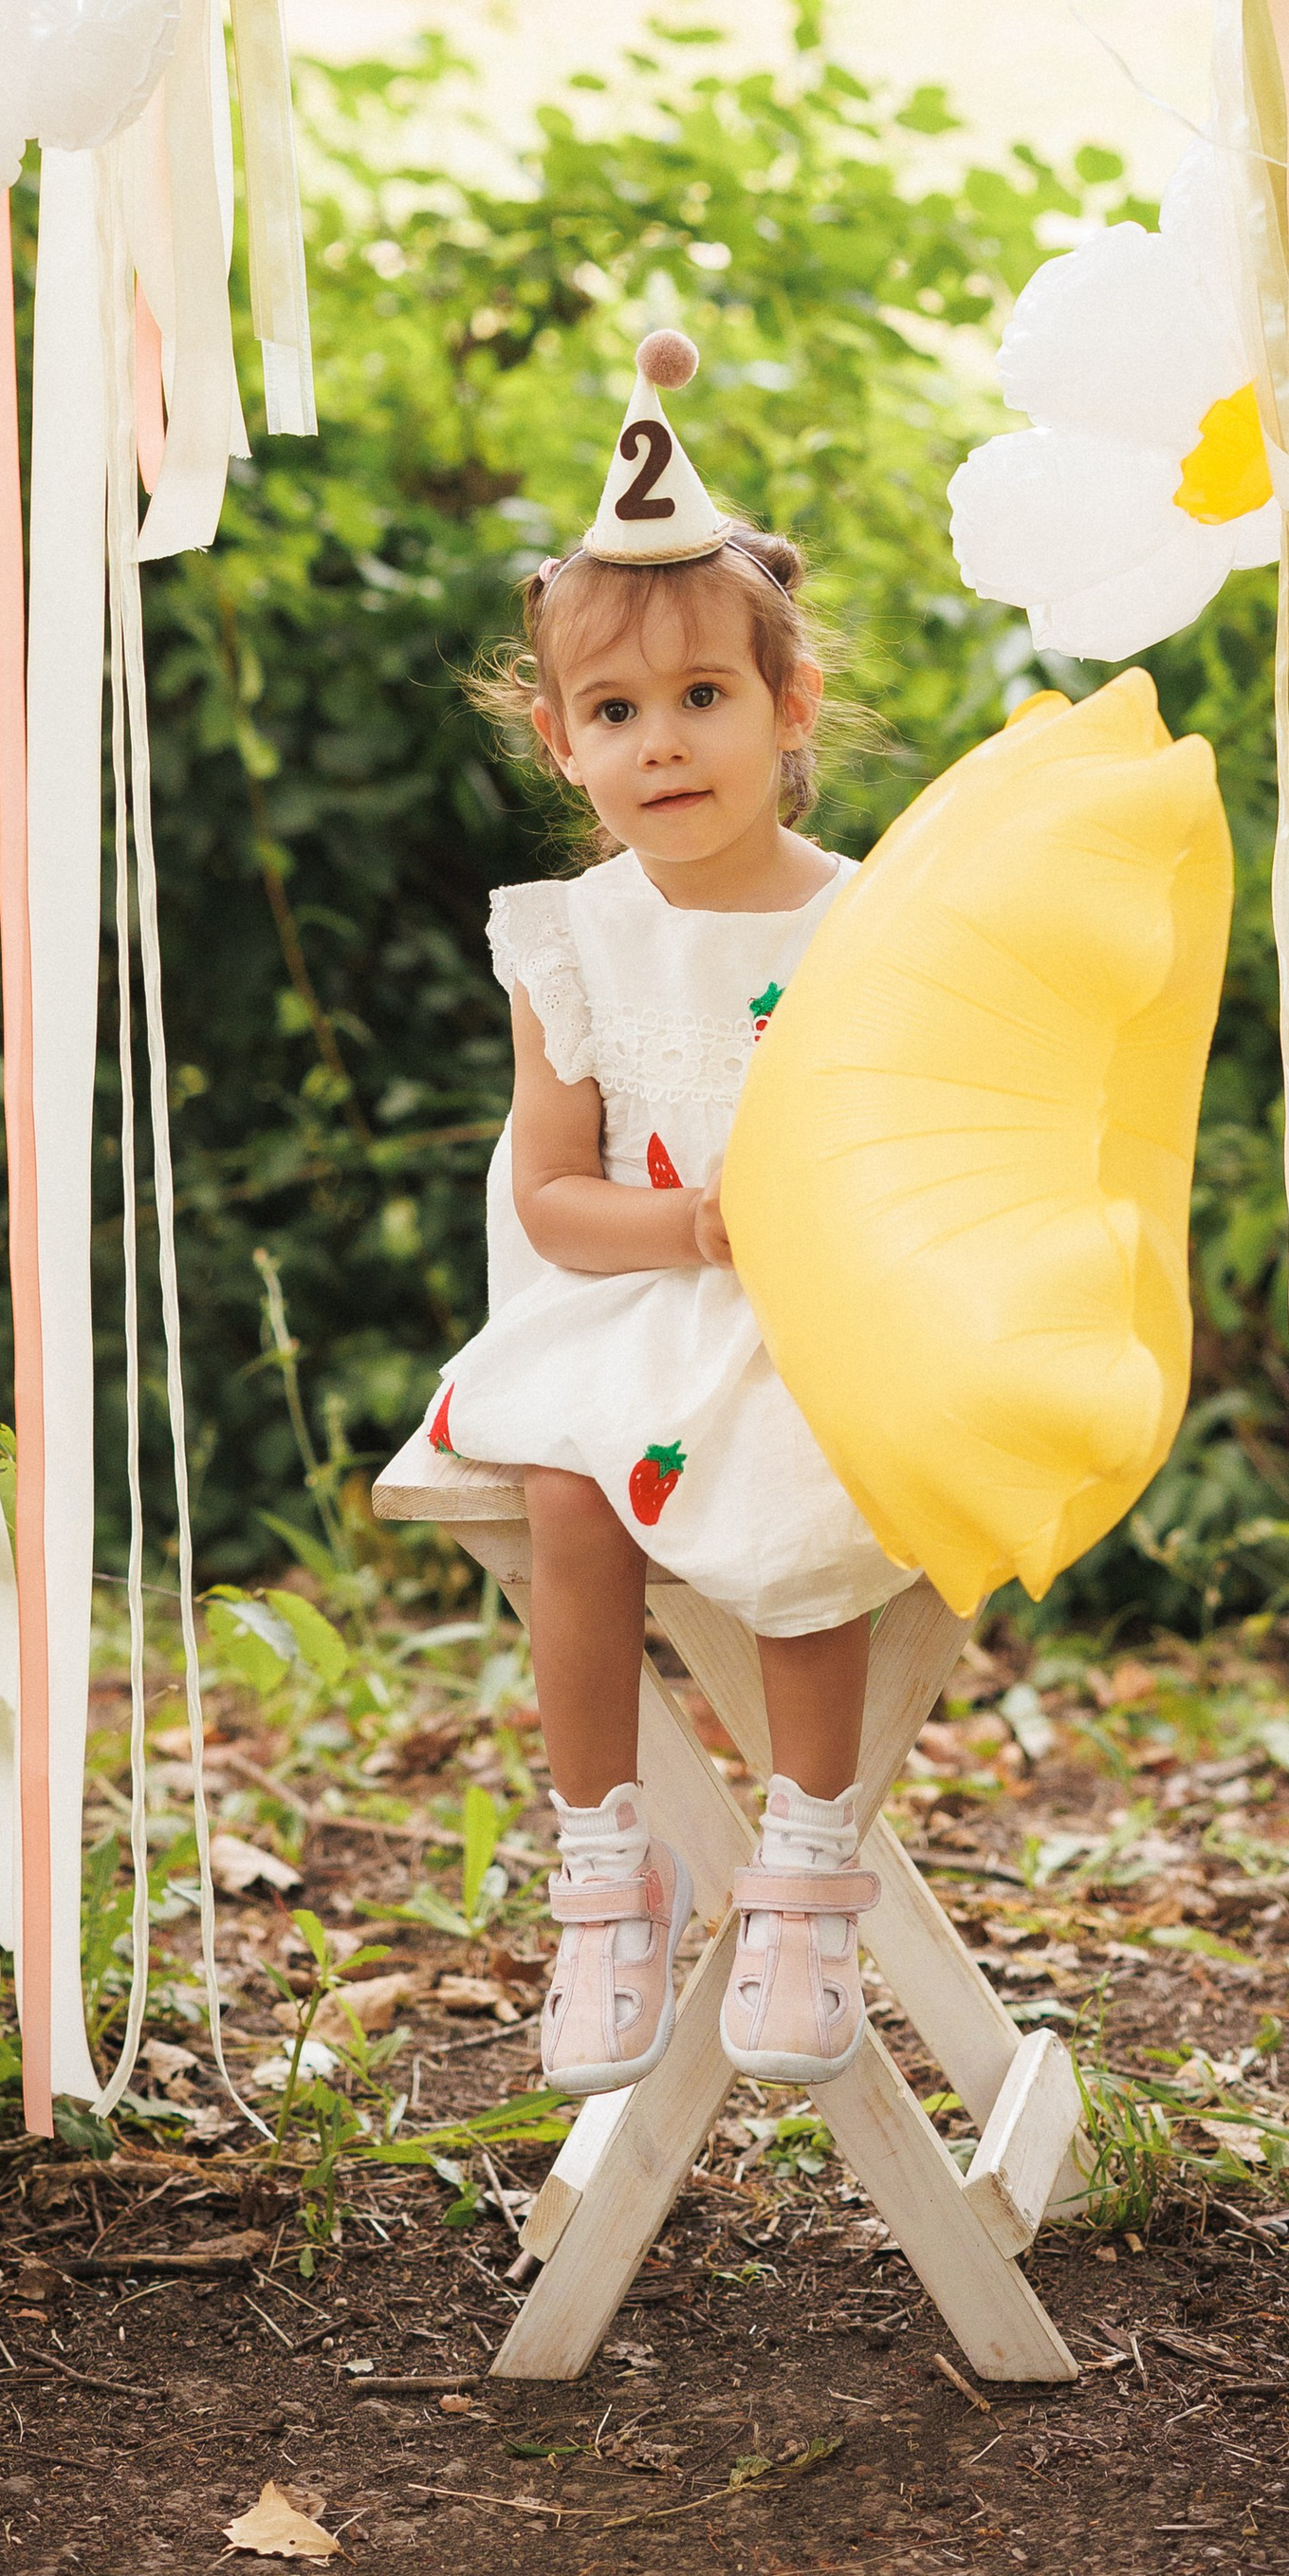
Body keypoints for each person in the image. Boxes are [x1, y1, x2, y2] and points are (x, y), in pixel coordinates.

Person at [431, 330, 914, 2103]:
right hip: (641, 1285)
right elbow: (555, 1195)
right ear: (564, 744)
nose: (663, 741)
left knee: (808, 1471)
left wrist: (803, 1235)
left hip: (826, 1305)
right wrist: (691, 1230)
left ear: (787, 710)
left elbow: (914, 1134)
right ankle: (603, 1864)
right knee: (575, 1483)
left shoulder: (868, 919)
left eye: (704, 696)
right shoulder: (570, 937)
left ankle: (804, 1865)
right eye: (618, 714)